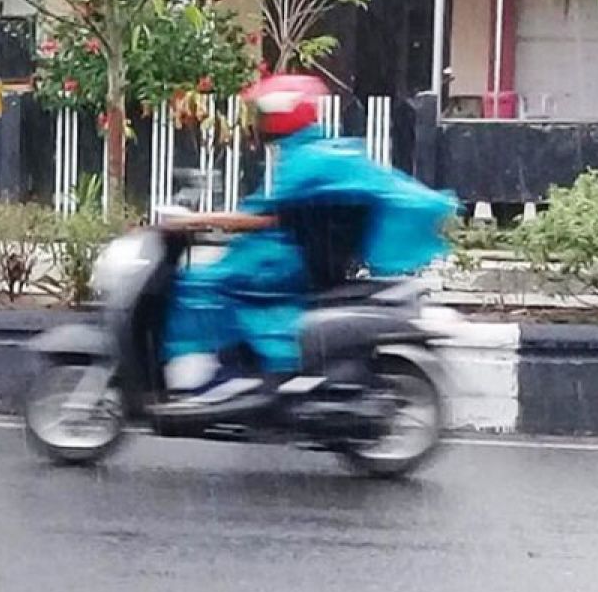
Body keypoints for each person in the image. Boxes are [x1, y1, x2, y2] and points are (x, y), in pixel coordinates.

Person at [161, 73, 456, 397]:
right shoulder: (319, 152)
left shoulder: (305, 160)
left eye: (262, 116)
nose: (257, 125)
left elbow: (262, 218)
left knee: (201, 284)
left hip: (282, 262)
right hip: (289, 257)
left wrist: (198, 221)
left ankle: (205, 377)